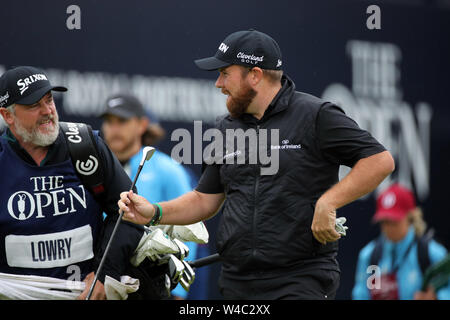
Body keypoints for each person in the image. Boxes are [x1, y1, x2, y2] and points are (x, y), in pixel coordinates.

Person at [118, 29, 395, 300]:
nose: (218, 83)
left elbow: (379, 161)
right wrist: (153, 212)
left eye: (225, 73)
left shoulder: (315, 115)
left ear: (255, 75)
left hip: (300, 279)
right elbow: (204, 200)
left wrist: (329, 202)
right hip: (237, 281)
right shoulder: (226, 129)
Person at [0, 66, 145, 300]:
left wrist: (104, 273)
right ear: (8, 116)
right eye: (34, 105)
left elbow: (129, 211)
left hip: (86, 294)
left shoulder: (85, 145)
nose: (47, 111)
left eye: (49, 100)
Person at [100, 93, 200, 299]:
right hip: (106, 279)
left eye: (122, 121)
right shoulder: (95, 169)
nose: (114, 129)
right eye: (109, 122)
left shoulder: (168, 169)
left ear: (142, 124)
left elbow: (190, 227)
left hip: (154, 285)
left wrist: (178, 291)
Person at [352, 183, 450, 300]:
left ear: (410, 217)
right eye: (384, 222)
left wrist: (437, 297)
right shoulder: (368, 256)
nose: (389, 228)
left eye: (394, 222)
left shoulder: (433, 254)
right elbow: (360, 295)